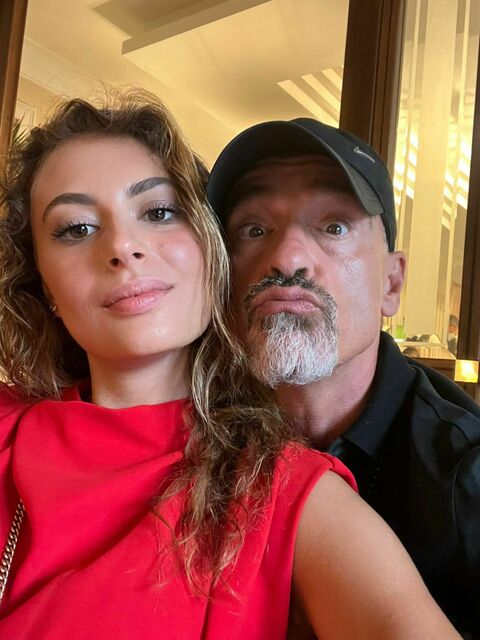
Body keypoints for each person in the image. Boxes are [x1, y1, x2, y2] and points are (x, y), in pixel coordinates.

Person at [0, 93, 460, 640]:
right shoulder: (11, 427)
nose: (122, 246)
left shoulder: (289, 491)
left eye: (159, 212)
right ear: (43, 283)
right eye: (76, 227)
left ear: (207, 252)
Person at [207, 117, 480, 637]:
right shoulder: (194, 434)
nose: (287, 258)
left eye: (334, 227)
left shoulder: (464, 479)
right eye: (254, 229)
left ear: (391, 283)